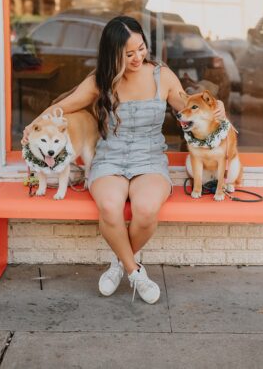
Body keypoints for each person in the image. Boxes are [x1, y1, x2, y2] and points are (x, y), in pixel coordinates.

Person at [26, 15, 225, 304]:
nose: (137, 57)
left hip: (150, 157)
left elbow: (192, 107)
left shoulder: (162, 76)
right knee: (110, 207)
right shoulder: (100, 80)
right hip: (111, 156)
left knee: (145, 210)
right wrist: (33, 126)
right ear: (113, 53)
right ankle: (135, 273)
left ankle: (117, 265)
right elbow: (63, 106)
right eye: (129, 53)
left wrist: (216, 107)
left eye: (141, 49)